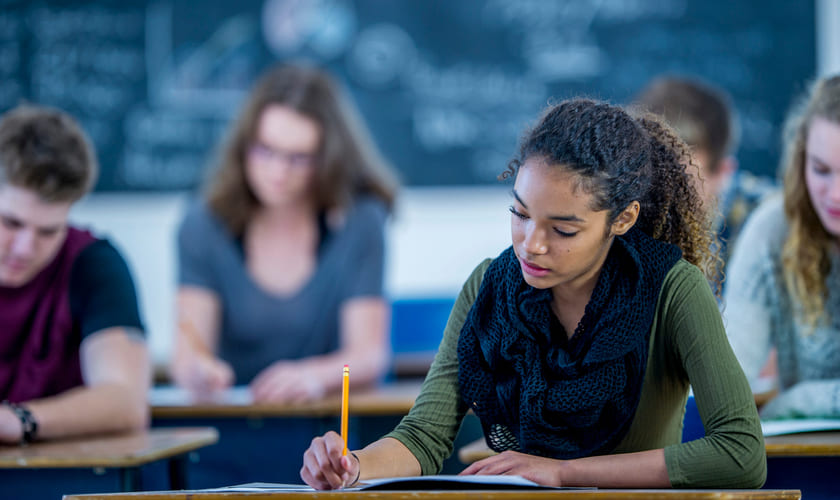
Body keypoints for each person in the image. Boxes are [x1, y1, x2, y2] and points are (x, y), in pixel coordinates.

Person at [301, 99, 766, 489]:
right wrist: (353, 465)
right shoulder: (488, 286)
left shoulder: (671, 287)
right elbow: (425, 436)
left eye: (563, 229)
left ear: (621, 220)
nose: (532, 244)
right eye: (520, 214)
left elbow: (741, 454)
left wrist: (564, 474)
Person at [171, 63, 398, 403]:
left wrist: (314, 376)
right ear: (243, 145)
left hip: (328, 423)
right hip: (231, 423)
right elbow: (188, 353)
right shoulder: (202, 223)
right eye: (265, 150)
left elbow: (368, 355)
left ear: (327, 159)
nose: (278, 171)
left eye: (299, 158)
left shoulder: (360, 221)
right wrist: (197, 371)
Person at [0, 105, 149, 445]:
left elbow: (125, 402)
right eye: (11, 223)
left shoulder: (93, 264)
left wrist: (18, 420)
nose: (25, 248)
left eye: (48, 231)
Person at [723, 75, 840, 420]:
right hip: (809, 459)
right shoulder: (772, 230)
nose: (834, 195)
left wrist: (794, 403)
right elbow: (728, 379)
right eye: (820, 170)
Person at [634, 76, 776, 263]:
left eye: (679, 181)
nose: (656, 194)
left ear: (724, 172)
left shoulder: (773, 225)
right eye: (647, 174)